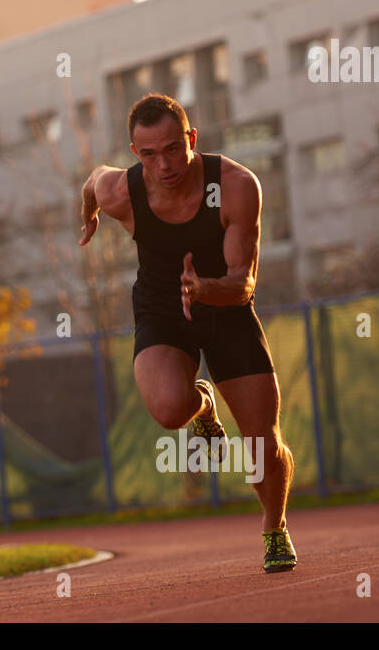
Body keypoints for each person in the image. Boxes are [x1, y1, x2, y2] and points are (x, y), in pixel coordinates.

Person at [79, 93, 297, 572]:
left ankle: (274, 525)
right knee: (168, 410)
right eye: (150, 154)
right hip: (162, 308)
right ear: (136, 154)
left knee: (261, 444)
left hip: (226, 307)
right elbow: (95, 179)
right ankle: (202, 403)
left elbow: (244, 283)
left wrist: (205, 288)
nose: (165, 164)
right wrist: (88, 212)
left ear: (191, 139)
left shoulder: (236, 186)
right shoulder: (123, 192)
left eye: (174, 148)